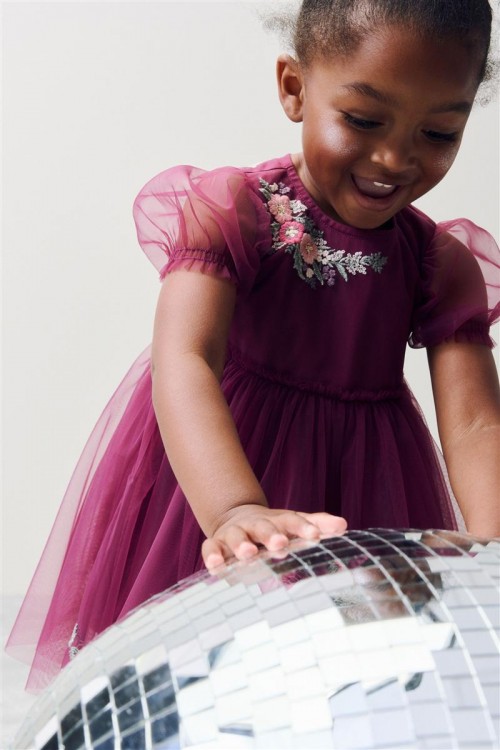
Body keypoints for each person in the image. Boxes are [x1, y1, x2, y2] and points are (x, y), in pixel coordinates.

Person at [7, 0, 500, 692]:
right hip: (218, 469)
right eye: (364, 120)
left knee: (351, 681)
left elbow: (476, 422)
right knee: (195, 677)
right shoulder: (234, 211)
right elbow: (185, 357)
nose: (395, 157)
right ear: (294, 89)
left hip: (364, 491)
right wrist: (234, 508)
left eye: (439, 132)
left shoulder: (436, 262)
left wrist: (492, 546)